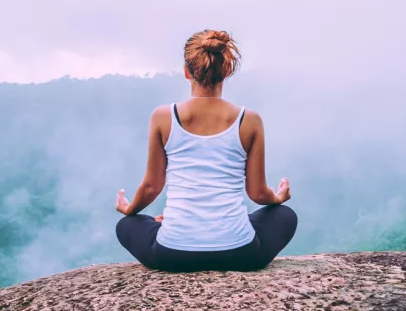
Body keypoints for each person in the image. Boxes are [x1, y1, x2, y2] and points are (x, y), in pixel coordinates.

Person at [115, 29, 297, 272]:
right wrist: (277, 197)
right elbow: (257, 193)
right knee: (285, 216)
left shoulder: (162, 117)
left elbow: (151, 187)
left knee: (127, 225)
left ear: (187, 71)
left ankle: (175, 226)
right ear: (227, 71)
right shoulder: (250, 120)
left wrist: (128, 209)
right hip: (242, 254)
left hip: (172, 255)